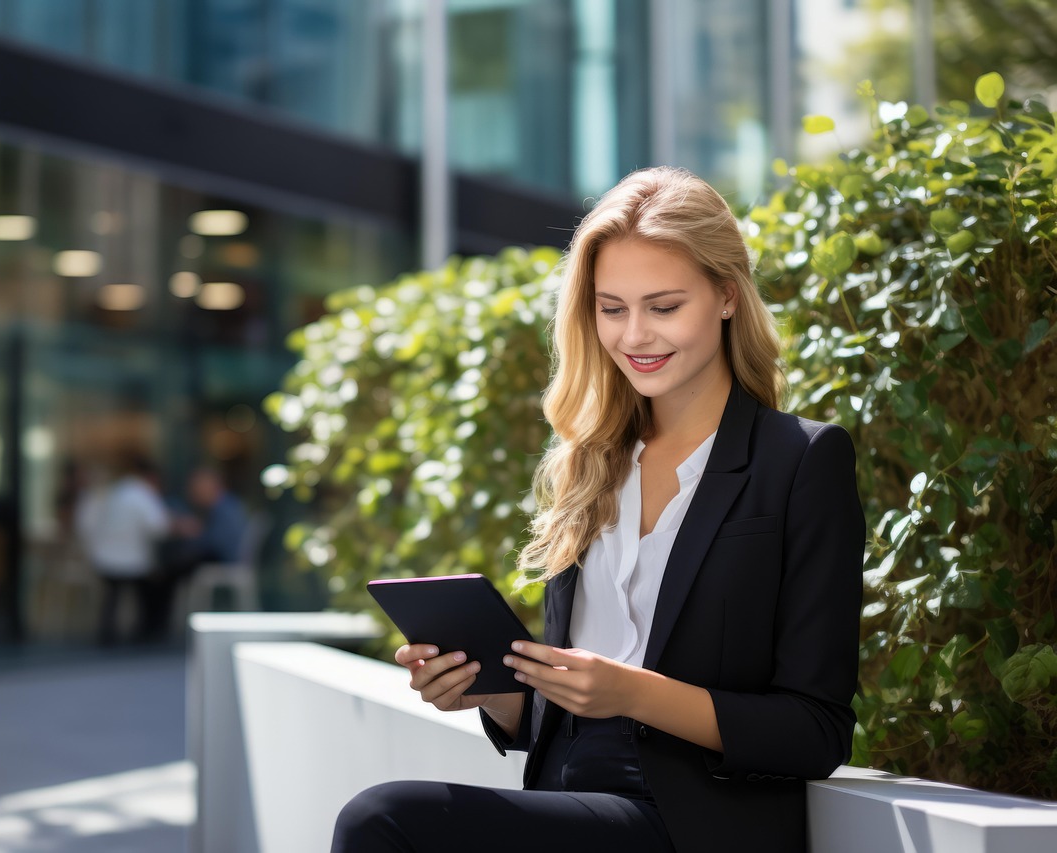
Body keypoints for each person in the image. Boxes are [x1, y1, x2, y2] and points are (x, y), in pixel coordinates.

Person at [332, 166, 864, 853]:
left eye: (664, 306)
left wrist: (634, 693)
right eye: (612, 309)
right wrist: (488, 692)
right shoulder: (592, 460)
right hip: (570, 800)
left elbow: (815, 729)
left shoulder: (801, 460)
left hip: (694, 822)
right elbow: (561, 714)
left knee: (384, 819)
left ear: (727, 296)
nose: (635, 335)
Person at [75, 451, 171, 645]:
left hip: (103, 559)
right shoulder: (141, 494)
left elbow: (86, 525)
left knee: (112, 596)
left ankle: (107, 635)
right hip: (133, 562)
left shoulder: (109, 492)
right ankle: (145, 633)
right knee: (151, 588)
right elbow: (160, 527)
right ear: (151, 476)